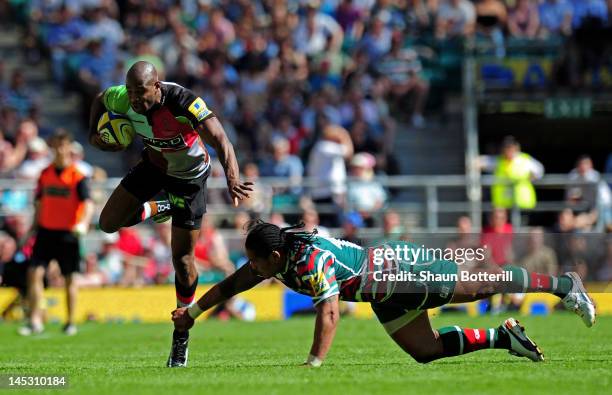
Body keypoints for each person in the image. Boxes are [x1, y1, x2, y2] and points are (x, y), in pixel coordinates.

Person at [172, 221, 595, 366]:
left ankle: (563, 286)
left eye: (256, 261)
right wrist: (193, 312)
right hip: (380, 290)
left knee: (479, 286)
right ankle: (505, 337)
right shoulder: (274, 259)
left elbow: (330, 315)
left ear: (275, 255)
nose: (253, 267)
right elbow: (230, 285)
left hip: (400, 269)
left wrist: (315, 364)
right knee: (425, 351)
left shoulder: (311, 261)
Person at [88, 61, 253, 367]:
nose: (135, 99)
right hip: (153, 167)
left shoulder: (184, 102)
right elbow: (100, 98)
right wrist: (93, 136)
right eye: (131, 92)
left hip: (190, 178)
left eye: (141, 92)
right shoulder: (122, 98)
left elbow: (221, 139)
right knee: (108, 223)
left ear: (157, 86)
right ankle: (161, 207)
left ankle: (181, 337)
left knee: (183, 260)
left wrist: (232, 178)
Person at [20, 130, 94, 336]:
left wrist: (83, 224)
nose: (60, 149)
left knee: (70, 278)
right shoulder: (45, 174)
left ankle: (70, 321)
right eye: (57, 145)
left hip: (68, 233)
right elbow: (39, 203)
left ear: (69, 147)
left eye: (64, 145)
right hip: (45, 231)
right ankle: (35, 319)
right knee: (34, 272)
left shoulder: (78, 177)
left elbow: (87, 204)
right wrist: (32, 229)